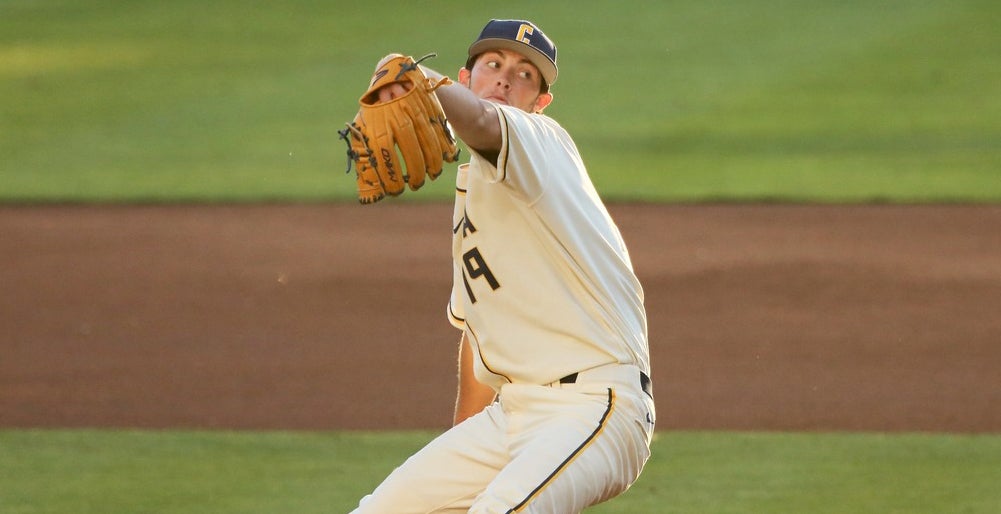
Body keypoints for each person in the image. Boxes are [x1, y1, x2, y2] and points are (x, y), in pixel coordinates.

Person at [352, 19, 654, 514]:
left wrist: (424, 84)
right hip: (512, 413)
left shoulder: (541, 143)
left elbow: (487, 123)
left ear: (540, 102)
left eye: (525, 75)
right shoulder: (474, 196)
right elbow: (477, 332)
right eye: (492, 65)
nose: (505, 80)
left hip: (596, 406)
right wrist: (460, 449)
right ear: (467, 77)